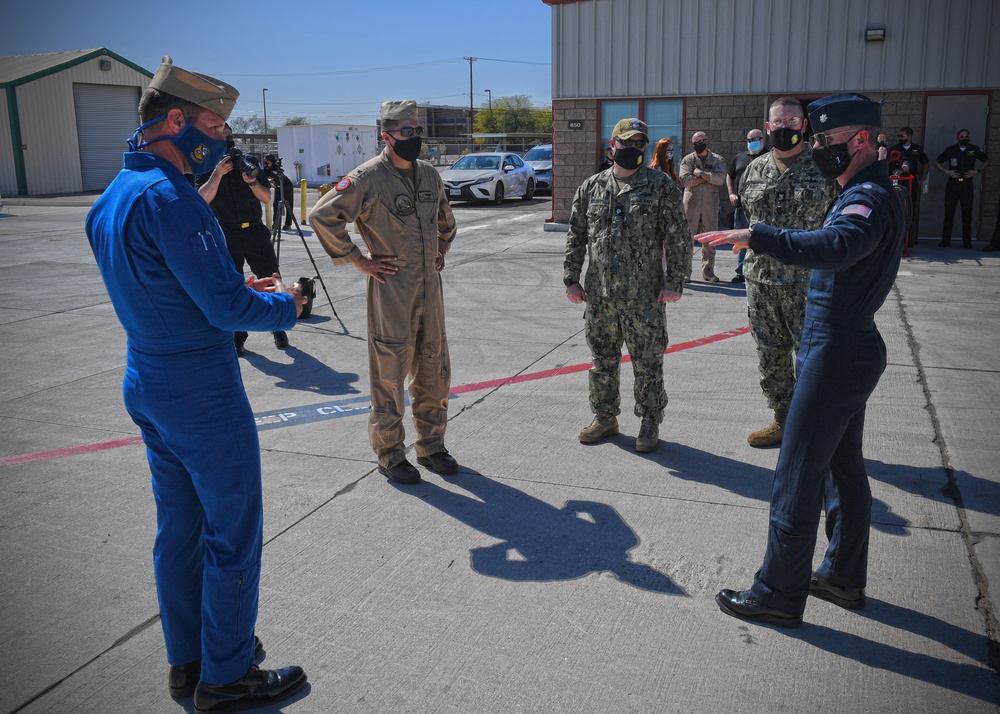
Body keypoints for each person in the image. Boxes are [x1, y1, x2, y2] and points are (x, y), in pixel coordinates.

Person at [84, 56, 306, 708]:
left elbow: (167, 290)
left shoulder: (110, 199)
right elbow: (227, 312)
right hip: (201, 392)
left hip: (148, 378)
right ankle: (227, 676)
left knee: (177, 533)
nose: (222, 140)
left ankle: (189, 662)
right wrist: (287, 303)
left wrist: (233, 285)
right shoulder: (171, 199)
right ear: (175, 121)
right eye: (215, 126)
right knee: (232, 531)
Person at [696, 92, 905, 628]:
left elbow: (838, 245)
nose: (817, 149)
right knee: (843, 467)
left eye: (826, 140)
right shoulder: (861, 187)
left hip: (836, 350)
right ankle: (842, 576)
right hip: (843, 345)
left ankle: (779, 592)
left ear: (861, 140)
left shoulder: (868, 197)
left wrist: (757, 235)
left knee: (796, 474)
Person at [309, 100, 458, 485]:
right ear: (386, 135)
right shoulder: (367, 178)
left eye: (417, 130)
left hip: (430, 287)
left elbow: (446, 220)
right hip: (391, 287)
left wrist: (441, 250)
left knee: (434, 368)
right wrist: (358, 259)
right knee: (389, 373)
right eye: (405, 131)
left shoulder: (429, 175)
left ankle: (432, 445)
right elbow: (322, 217)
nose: (413, 138)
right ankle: (390, 453)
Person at [564, 118, 691, 453]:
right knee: (602, 360)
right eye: (627, 143)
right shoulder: (591, 187)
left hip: (645, 296)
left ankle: (649, 422)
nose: (633, 149)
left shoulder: (661, 185)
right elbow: (576, 237)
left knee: (648, 362)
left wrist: (675, 281)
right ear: (612, 146)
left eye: (639, 144)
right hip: (600, 296)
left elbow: (679, 237)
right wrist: (571, 279)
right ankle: (605, 417)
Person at [740, 97, 838, 448]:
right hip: (761, 281)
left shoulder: (826, 168)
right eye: (778, 123)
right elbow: (748, 221)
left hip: (809, 282)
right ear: (767, 128)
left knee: (814, 357)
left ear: (804, 125)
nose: (785, 128)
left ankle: (817, 427)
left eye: (792, 122)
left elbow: (839, 227)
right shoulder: (753, 170)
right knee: (770, 352)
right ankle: (782, 419)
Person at [196, 125, 290, 355]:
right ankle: (239, 337)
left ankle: (278, 327)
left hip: (255, 231)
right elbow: (201, 200)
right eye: (219, 135)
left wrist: (251, 181)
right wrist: (218, 173)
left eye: (227, 136)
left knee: (270, 278)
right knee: (234, 286)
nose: (225, 140)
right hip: (227, 234)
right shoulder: (207, 165)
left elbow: (266, 197)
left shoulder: (247, 161)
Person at [679, 131, 727, 282]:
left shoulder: (718, 160)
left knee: (710, 239)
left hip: (710, 205)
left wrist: (700, 174)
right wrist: (707, 177)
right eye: (694, 143)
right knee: (687, 239)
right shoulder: (687, 160)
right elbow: (685, 180)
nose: (697, 145)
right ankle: (685, 272)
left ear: (707, 141)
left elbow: (720, 179)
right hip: (691, 205)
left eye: (700, 142)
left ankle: (708, 271)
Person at [935, 129, 990, 248]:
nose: (964, 138)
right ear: (958, 138)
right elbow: (937, 162)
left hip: (967, 185)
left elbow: (987, 160)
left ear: (969, 137)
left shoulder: (974, 149)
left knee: (967, 214)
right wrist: (946, 171)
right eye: (962, 136)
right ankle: (945, 241)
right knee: (949, 213)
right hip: (953, 185)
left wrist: (977, 171)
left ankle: (967, 242)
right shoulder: (951, 150)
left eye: (966, 136)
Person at [726, 127, 767, 283]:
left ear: (763, 139)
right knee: (742, 238)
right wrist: (731, 193)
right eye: (750, 140)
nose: (753, 142)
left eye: (756, 139)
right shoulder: (740, 158)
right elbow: (730, 177)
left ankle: (761, 272)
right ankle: (741, 272)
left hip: (763, 208)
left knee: (763, 239)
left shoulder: (771, 156)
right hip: (742, 207)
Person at [887, 127, 929, 244]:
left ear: (909, 137)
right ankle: (896, 240)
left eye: (902, 136)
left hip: (911, 182)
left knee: (910, 210)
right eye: (899, 136)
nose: (900, 138)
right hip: (896, 183)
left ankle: (909, 239)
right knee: (895, 209)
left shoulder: (917, 149)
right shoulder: (894, 149)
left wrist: (922, 179)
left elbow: (925, 163)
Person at [264, 154, 295, 229]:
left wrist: (270, 179)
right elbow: (264, 175)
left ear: (270, 161)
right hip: (278, 187)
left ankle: (288, 224)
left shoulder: (275, 168)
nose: (265, 161)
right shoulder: (266, 168)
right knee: (276, 205)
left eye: (266, 160)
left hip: (286, 187)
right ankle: (276, 224)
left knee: (288, 205)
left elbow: (277, 176)